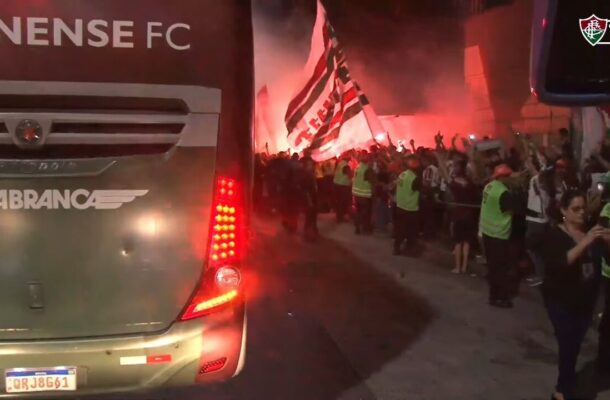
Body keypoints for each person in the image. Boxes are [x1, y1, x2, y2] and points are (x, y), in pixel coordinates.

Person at [539, 190, 608, 400]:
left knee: (575, 344)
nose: (581, 213)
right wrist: (584, 242)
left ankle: (565, 385)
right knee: (568, 344)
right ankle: (562, 391)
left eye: (583, 208)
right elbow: (560, 263)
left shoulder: (591, 233)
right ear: (563, 211)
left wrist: (606, 240)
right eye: (575, 209)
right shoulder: (555, 234)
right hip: (561, 300)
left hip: (585, 301)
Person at [479, 164, 521, 308]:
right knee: (501, 269)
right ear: (503, 177)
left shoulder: (489, 186)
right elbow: (516, 208)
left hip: (487, 231)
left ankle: (493, 294)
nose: (511, 179)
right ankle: (500, 297)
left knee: (492, 266)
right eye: (508, 176)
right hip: (499, 234)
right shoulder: (503, 193)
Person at [448, 159, 479, 274]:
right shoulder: (470, 182)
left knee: (458, 242)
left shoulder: (454, 183)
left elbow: (447, 178)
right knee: (466, 242)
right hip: (469, 215)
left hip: (459, 215)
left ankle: (457, 267)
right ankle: (464, 267)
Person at [394, 156, 421, 256]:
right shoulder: (414, 178)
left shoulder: (402, 174)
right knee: (411, 231)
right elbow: (419, 190)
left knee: (400, 229)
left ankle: (396, 248)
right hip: (410, 208)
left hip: (400, 206)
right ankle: (409, 250)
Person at [352, 152, 375, 234]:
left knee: (358, 212)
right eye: (371, 160)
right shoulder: (368, 170)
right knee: (366, 213)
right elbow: (373, 182)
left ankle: (357, 228)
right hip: (365, 195)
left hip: (357, 193)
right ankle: (366, 228)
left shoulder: (358, 166)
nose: (372, 162)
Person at [333, 154, 352, 223]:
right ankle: (341, 217)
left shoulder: (340, 163)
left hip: (337, 184)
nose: (351, 157)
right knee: (343, 202)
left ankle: (339, 217)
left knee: (339, 202)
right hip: (343, 185)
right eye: (350, 156)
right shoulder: (346, 165)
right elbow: (349, 175)